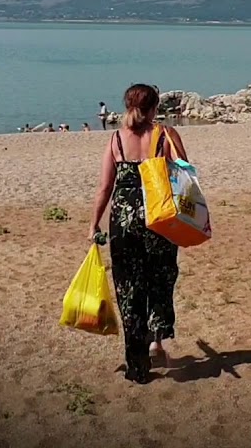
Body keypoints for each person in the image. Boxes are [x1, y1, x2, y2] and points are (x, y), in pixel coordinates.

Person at [88, 83, 188, 384]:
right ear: (155, 107)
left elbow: (105, 187)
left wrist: (93, 223)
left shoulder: (116, 139)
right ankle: (157, 340)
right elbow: (185, 173)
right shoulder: (165, 135)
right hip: (160, 218)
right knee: (160, 278)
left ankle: (137, 365)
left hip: (123, 219)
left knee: (129, 288)